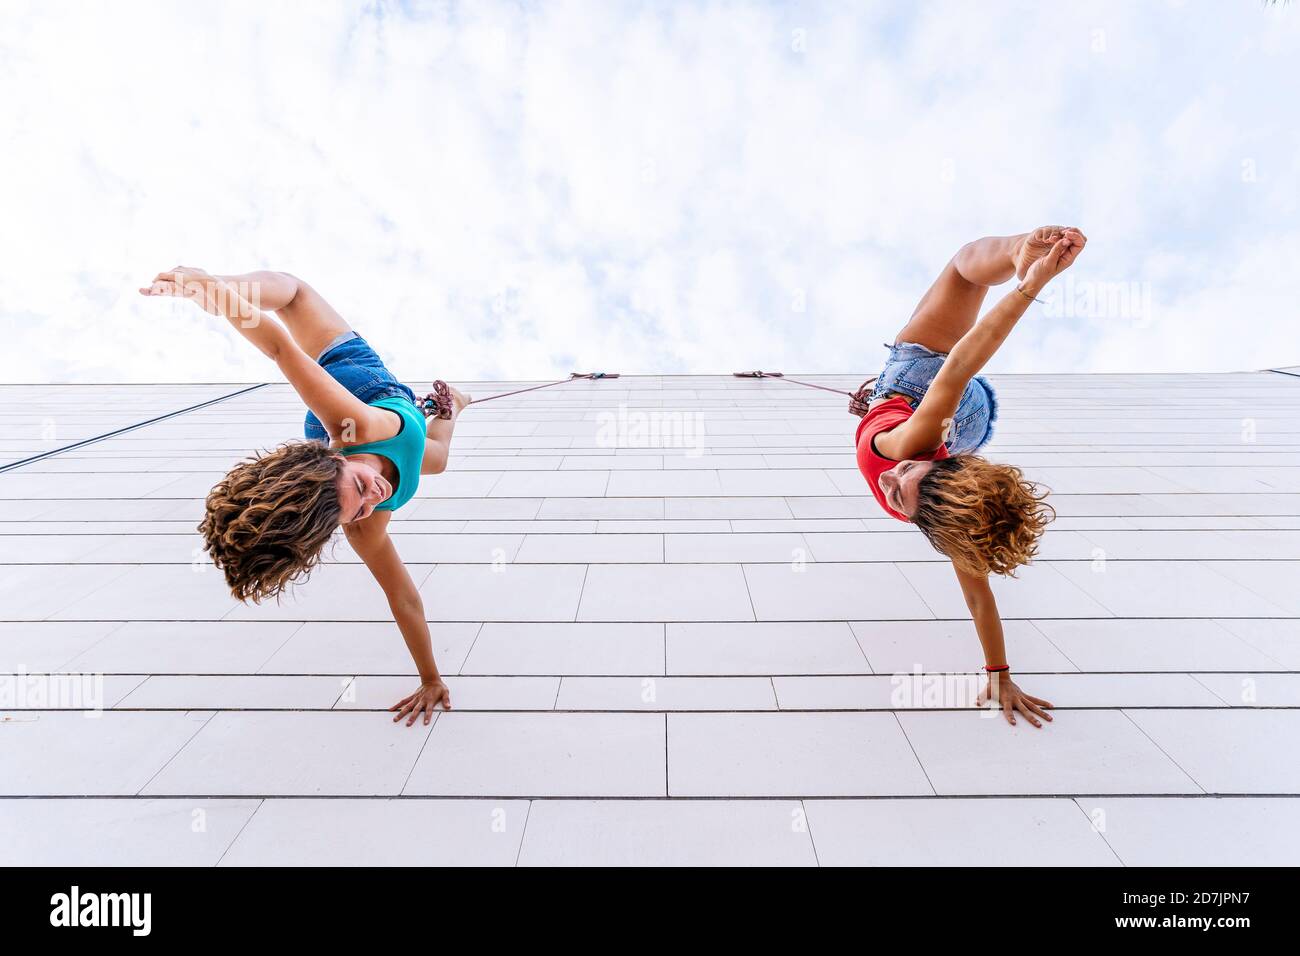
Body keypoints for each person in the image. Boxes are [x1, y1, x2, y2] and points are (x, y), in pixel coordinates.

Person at [140, 267, 466, 726]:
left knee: (294, 293)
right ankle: (454, 403)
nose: (376, 495)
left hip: (350, 372)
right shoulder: (363, 520)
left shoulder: (355, 426)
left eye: (359, 488)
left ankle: (223, 284)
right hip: (409, 433)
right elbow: (404, 598)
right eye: (363, 507)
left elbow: (279, 347)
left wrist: (217, 291)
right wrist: (431, 678)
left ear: (333, 460)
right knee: (437, 459)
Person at [853, 227, 1087, 727]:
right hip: (927, 385)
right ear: (939, 462)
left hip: (963, 427)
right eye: (911, 472)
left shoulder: (949, 529)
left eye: (899, 491)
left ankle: (1010, 255)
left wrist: (1000, 674)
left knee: (943, 405)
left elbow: (979, 596)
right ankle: (1018, 252)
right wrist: (1029, 284)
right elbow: (959, 366)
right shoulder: (908, 447)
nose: (890, 479)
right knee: (962, 268)